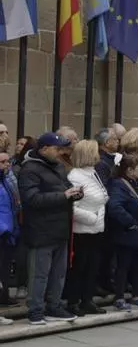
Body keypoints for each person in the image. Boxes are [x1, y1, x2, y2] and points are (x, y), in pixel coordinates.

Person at [17, 133, 83, 325]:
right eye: (57, 148)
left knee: (58, 273)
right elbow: (32, 199)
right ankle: (35, 310)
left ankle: (54, 306)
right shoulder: (29, 169)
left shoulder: (58, 166)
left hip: (60, 228)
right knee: (39, 274)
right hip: (41, 230)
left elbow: (66, 188)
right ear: (44, 148)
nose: (60, 152)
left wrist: (76, 193)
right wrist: (64, 196)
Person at [65, 140, 108, 316]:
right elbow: (72, 206)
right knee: (79, 268)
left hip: (96, 228)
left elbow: (101, 198)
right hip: (82, 230)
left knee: (92, 267)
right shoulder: (75, 176)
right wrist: (91, 217)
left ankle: (87, 300)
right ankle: (73, 301)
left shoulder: (93, 173)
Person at [106, 152, 138, 311]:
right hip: (127, 232)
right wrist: (131, 223)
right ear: (129, 170)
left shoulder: (136, 184)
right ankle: (119, 297)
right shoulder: (119, 185)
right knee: (123, 266)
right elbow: (115, 207)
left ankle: (137, 295)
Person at [0, 150, 19, 317]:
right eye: (3, 162)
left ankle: (3, 296)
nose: (7, 165)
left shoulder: (5, 180)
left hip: (8, 231)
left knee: (5, 267)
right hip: (3, 230)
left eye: (8, 161)